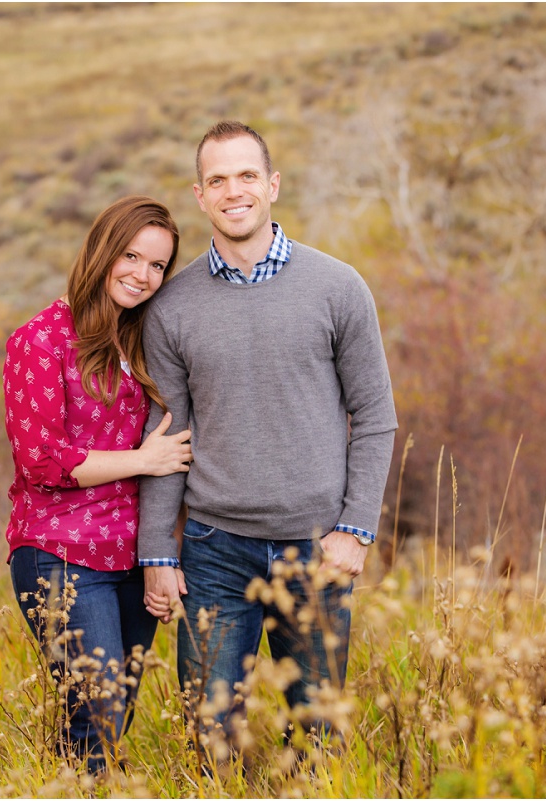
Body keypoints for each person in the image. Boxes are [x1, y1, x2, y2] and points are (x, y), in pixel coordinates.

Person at [138, 121, 398, 751]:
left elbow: (376, 415)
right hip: (214, 549)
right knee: (209, 732)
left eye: (247, 175)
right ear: (200, 196)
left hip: (317, 549)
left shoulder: (338, 288)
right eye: (218, 179)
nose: (234, 190)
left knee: (319, 735)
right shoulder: (172, 308)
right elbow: (166, 438)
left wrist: (356, 529)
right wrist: (157, 554)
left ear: (272, 185)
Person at [2, 195, 193, 775]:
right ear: (102, 253)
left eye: (158, 265)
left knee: (110, 718)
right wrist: (141, 459)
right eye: (131, 257)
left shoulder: (138, 345)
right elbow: (42, 460)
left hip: (130, 560)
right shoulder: (39, 341)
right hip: (59, 553)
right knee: (99, 708)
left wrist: (165, 553)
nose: (143, 275)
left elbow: (170, 453)